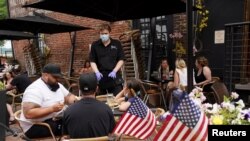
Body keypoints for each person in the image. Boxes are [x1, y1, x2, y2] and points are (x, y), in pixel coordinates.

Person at [19, 64, 77, 139]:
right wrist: (51, 109)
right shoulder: (34, 89)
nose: (58, 79)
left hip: (53, 120)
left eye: (59, 77)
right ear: (45, 75)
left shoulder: (56, 85)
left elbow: (68, 97)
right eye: (55, 77)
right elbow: (28, 113)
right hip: (35, 126)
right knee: (73, 127)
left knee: (76, 120)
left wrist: (76, 101)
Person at [63, 72, 115, 139]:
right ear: (96, 89)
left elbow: (66, 136)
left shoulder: (68, 111)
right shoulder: (106, 109)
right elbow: (111, 134)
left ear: (79, 88)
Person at [89, 23, 125, 96]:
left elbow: (121, 59)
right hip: (101, 77)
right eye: (102, 34)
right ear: (99, 34)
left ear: (109, 33)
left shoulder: (116, 44)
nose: (104, 35)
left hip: (114, 77)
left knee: (118, 99)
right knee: (101, 102)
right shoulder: (95, 45)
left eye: (106, 33)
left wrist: (115, 71)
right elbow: (92, 61)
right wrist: (96, 72)